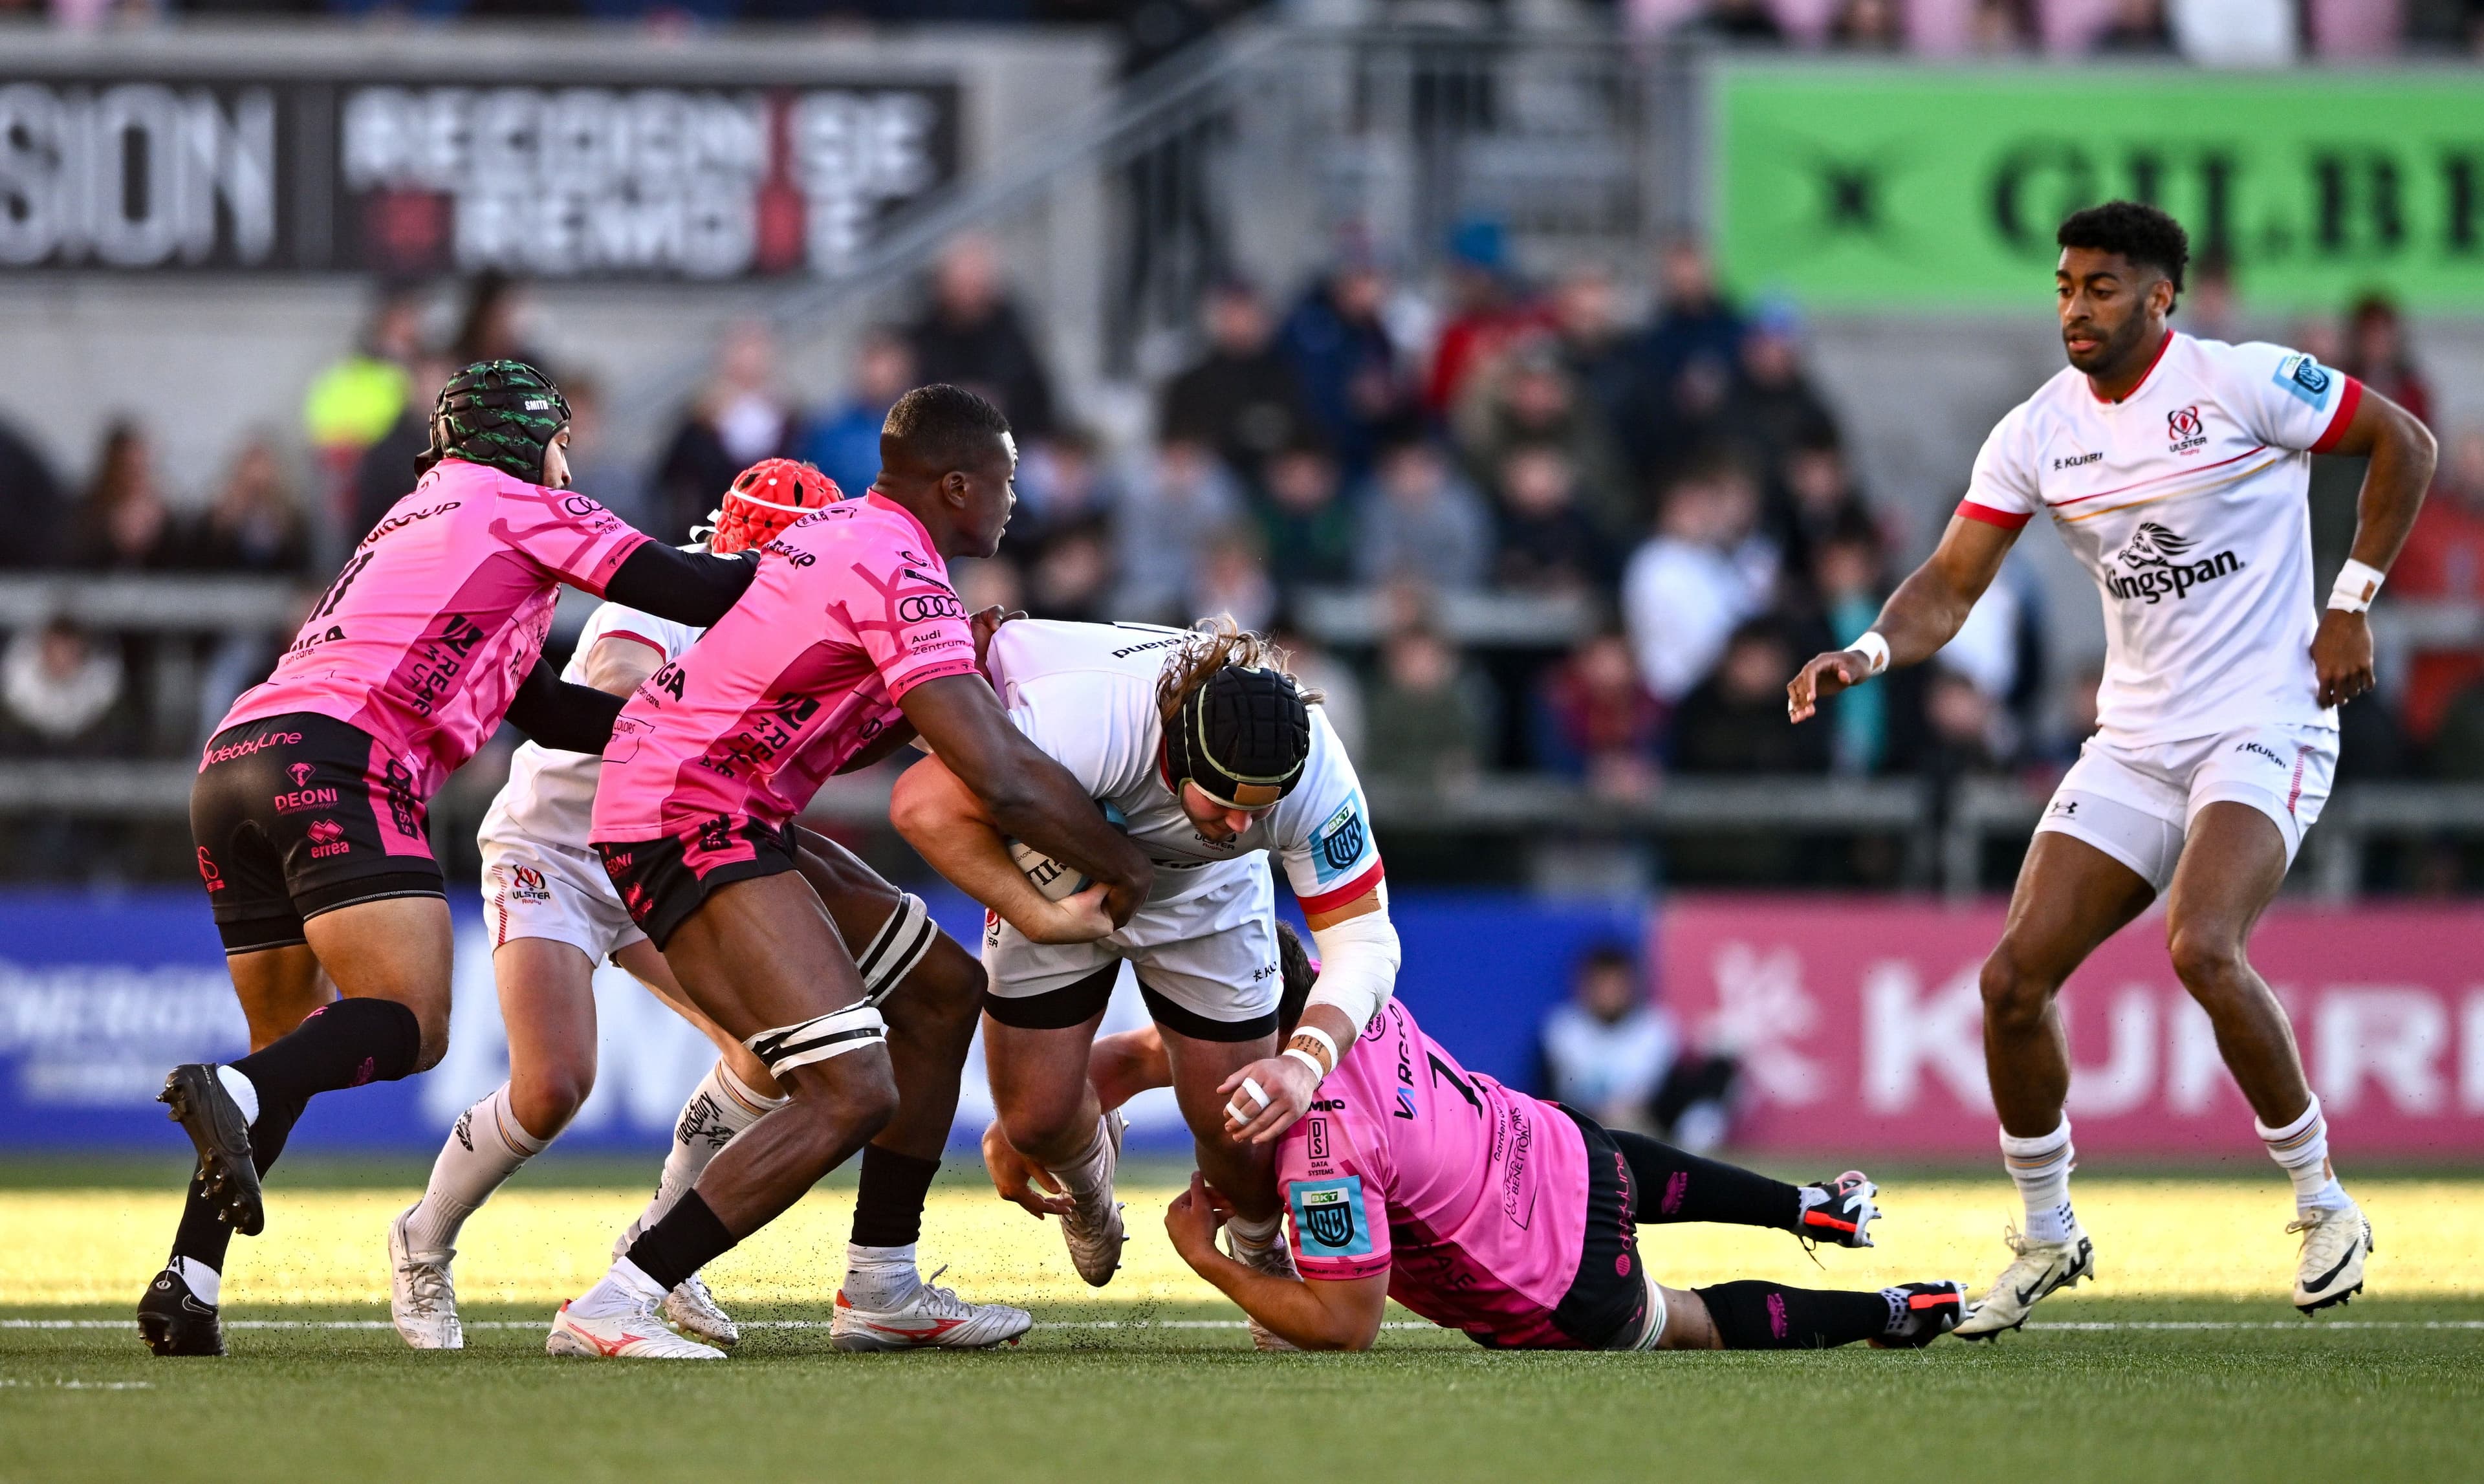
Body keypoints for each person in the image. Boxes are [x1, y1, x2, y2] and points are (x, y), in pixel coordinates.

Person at [1788, 201, 2437, 1331]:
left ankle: (2324, 1198)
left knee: (2202, 941)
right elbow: (1951, 580)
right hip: (2136, 737)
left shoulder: (2242, 383)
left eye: (2098, 286)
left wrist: (2350, 604)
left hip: (2268, 714)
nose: (2074, 307)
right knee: (2009, 982)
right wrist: (1870, 648)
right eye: (2063, 286)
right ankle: (2047, 1230)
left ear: (2158, 297)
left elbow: (2406, 441)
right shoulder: (2039, 430)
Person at [141, 361, 766, 1358]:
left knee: (286, 1049)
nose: (572, 458)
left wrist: (694, 732)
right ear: (528, 438)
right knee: (412, 1024)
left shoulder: (419, 517)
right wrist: (812, 564)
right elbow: (685, 581)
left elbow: (553, 710)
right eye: (561, 439)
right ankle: (239, 1103)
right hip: (342, 758)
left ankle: (190, 1280)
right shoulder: (517, 501)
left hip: (235, 761)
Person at [552, 386, 1151, 1360]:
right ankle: (621, 1296)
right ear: (956, 485)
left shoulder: (854, 533)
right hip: (688, 806)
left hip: (724, 796)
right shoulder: (898, 569)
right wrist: (1131, 865)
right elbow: (998, 773)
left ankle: (881, 1283)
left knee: (944, 992)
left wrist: (959, 664)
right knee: (851, 1087)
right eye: (1002, 481)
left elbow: (829, 716)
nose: (1014, 501)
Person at [389, 459, 1021, 1355]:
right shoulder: (655, 607)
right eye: (784, 550)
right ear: (740, 543)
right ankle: (424, 1238)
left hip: (670, 848)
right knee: (553, 1084)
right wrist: (709, 724)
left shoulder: (802, 601)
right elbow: (604, 720)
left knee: (772, 1057)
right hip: (564, 847)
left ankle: (660, 1251)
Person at [1017, 941, 1956, 1353]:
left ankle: (1889, 1310)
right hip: (1554, 1146)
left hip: (1551, 1277)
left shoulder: (1321, 1146)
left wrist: (1204, 1258)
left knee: (1695, 1320)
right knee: (1637, 1169)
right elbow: (1148, 1056)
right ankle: (1810, 1204)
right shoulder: (1345, 993)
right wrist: (1029, 1122)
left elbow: (1345, 1326)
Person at [889, 617, 1400, 1351]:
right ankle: (1090, 1185)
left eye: (1258, 808)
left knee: (1240, 1125)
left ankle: (1263, 1256)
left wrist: (1303, 1060)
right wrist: (1043, 916)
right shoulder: (1080, 722)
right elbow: (921, 803)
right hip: (1060, 865)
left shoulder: (1313, 762)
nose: (1238, 822)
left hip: (1209, 893)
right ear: (1172, 759)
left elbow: (1365, 936)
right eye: (1221, 801)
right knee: (1032, 1123)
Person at [1158, 277, 1316, 488]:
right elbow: (1174, 444)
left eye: (1245, 311)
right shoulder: (1191, 383)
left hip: (1275, 489)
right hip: (1211, 488)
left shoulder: (1285, 376)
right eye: (1232, 313)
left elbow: (1302, 435)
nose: (1239, 321)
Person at [905, 236, 1056, 441]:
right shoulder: (922, 336)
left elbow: (1037, 400)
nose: (968, 295)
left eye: (976, 285)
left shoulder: (1014, 333)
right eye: (961, 285)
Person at [796, 326, 913, 503]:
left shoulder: (921, 430)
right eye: (871, 362)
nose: (878, 374)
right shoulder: (829, 429)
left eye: (886, 364)